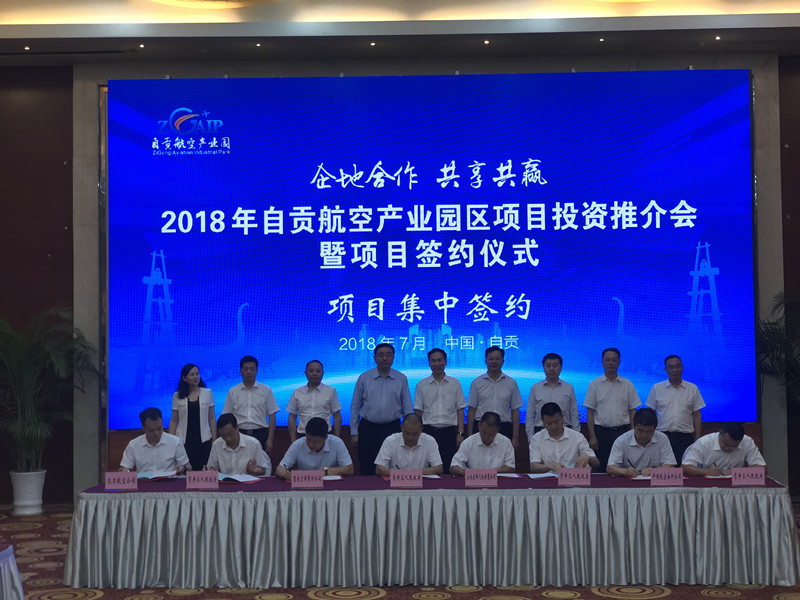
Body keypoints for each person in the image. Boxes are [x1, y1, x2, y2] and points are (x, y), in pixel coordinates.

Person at [350, 343, 413, 475]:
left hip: (392, 428)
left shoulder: (401, 379)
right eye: (381, 355)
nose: (385, 358)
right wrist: (354, 432)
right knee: (367, 467)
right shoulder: (364, 378)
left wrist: (409, 432)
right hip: (368, 429)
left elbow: (407, 408)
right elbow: (355, 406)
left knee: (393, 466)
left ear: (393, 357)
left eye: (388, 355)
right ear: (374, 358)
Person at [584, 347, 641, 472]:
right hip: (601, 433)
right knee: (602, 467)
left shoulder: (627, 384)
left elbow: (633, 410)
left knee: (623, 467)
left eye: (614, 360)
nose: (610, 363)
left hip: (623, 432)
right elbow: (590, 411)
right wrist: (592, 436)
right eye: (607, 360)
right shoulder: (594, 384)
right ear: (602, 362)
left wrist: (633, 432)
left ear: (619, 362)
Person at [413, 348, 466, 474]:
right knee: (428, 468)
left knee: (449, 468)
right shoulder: (422, 384)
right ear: (429, 363)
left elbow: (460, 410)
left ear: (445, 362)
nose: (437, 364)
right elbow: (418, 412)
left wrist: (460, 433)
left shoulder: (455, 383)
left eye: (439, 360)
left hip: (450, 432)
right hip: (428, 432)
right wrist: (418, 434)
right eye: (433, 361)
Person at [646, 355, 706, 464]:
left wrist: (697, 438)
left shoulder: (692, 388)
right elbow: (650, 414)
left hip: (685, 438)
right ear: (665, 369)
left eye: (678, 366)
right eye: (671, 367)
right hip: (662, 437)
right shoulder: (657, 388)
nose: (675, 370)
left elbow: (697, 414)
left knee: (685, 468)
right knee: (663, 468)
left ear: (682, 368)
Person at [466, 346, 523, 448]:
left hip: (504, 428)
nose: (494, 361)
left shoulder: (511, 383)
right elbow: (471, 410)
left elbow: (515, 411)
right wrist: (470, 436)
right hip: (481, 428)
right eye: (491, 359)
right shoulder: (477, 382)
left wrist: (515, 437)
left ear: (502, 361)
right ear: (485, 361)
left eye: (497, 359)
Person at [221, 355, 279, 453]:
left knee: (259, 462)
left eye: (252, 369)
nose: (249, 372)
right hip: (239, 434)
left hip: (261, 434)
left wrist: (270, 439)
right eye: (246, 369)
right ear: (240, 371)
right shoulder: (233, 391)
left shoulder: (266, 390)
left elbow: (272, 415)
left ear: (257, 371)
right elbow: (227, 416)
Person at [167, 363, 216, 471]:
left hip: (203, 440)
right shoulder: (177, 395)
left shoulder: (207, 393)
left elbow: (212, 418)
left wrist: (214, 438)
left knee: (202, 471)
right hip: (184, 440)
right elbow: (174, 420)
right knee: (185, 471)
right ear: (184, 378)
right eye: (192, 374)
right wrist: (170, 440)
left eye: (197, 374)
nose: (196, 377)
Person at [529, 402, 598, 473]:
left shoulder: (577, 436)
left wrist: (589, 459)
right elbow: (533, 467)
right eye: (549, 423)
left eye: (556, 422)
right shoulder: (537, 438)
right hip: (549, 477)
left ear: (562, 417)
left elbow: (596, 463)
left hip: (573, 477)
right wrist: (550, 467)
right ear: (542, 421)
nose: (553, 426)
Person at [606, 407, 676, 477]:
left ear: (655, 429)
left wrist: (654, 471)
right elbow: (610, 468)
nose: (644, 435)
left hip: (654, 481)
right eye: (640, 431)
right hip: (629, 481)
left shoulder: (662, 439)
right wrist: (625, 471)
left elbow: (670, 466)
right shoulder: (622, 441)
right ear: (633, 426)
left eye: (649, 432)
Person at [275, 417, 354, 479]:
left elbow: (349, 469)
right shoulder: (297, 445)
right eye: (308, 440)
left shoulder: (337, 443)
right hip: (304, 486)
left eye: (315, 442)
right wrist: (285, 474)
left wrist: (326, 471)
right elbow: (279, 469)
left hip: (331, 486)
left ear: (325, 438)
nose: (311, 444)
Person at [119, 407, 191, 474]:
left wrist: (183, 468)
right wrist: (124, 471)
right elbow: (124, 468)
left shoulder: (175, 442)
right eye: (151, 430)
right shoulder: (133, 445)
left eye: (159, 428)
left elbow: (189, 467)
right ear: (143, 428)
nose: (156, 433)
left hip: (169, 482)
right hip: (144, 482)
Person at [526, 352, 580, 438]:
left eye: (555, 365)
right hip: (540, 432)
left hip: (564, 431)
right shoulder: (536, 388)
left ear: (561, 368)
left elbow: (574, 413)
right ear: (543, 368)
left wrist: (576, 435)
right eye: (548, 366)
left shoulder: (568, 387)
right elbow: (530, 414)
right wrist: (530, 437)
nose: (551, 369)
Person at [287, 359, 342, 443]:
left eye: (318, 371)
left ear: (323, 373)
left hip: (325, 436)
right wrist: (293, 439)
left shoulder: (330, 391)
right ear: (306, 373)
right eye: (311, 371)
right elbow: (292, 416)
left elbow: (337, 415)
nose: (314, 373)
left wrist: (336, 439)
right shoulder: (297, 392)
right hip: (303, 435)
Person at [681, 422, 767, 476]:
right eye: (725, 443)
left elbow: (763, 468)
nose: (728, 448)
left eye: (733, 446)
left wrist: (738, 472)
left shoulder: (747, 441)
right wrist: (706, 471)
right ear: (719, 434)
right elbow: (685, 468)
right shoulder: (704, 442)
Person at [374, 413, 443, 476]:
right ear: (401, 428)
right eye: (407, 433)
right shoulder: (390, 441)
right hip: (395, 484)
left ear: (421, 430)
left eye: (415, 434)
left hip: (421, 484)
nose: (410, 438)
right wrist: (410, 474)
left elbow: (438, 468)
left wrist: (408, 474)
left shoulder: (429, 441)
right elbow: (379, 469)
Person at [450, 412, 515, 476]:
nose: (486, 437)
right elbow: (453, 467)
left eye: (491, 434)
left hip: (499, 480)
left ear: (498, 430)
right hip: (474, 481)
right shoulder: (468, 443)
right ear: (479, 426)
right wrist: (462, 471)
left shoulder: (506, 442)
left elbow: (511, 467)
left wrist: (487, 473)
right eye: (484, 433)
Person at [205, 413, 270, 476]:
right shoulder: (217, 444)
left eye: (230, 434)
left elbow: (263, 470)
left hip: (247, 482)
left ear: (237, 427)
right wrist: (210, 471)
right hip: (226, 481)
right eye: (223, 436)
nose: (228, 438)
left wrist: (253, 471)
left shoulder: (253, 444)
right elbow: (211, 468)